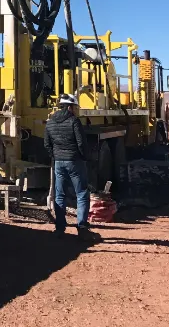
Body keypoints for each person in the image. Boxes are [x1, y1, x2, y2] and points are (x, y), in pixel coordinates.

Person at [44, 93, 98, 242]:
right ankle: (82, 228)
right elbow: (81, 143)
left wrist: (55, 155)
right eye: (74, 107)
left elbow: (47, 144)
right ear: (69, 107)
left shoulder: (50, 122)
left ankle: (60, 228)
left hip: (59, 162)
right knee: (81, 193)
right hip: (75, 161)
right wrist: (84, 157)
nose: (75, 110)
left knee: (59, 195)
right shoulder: (74, 121)